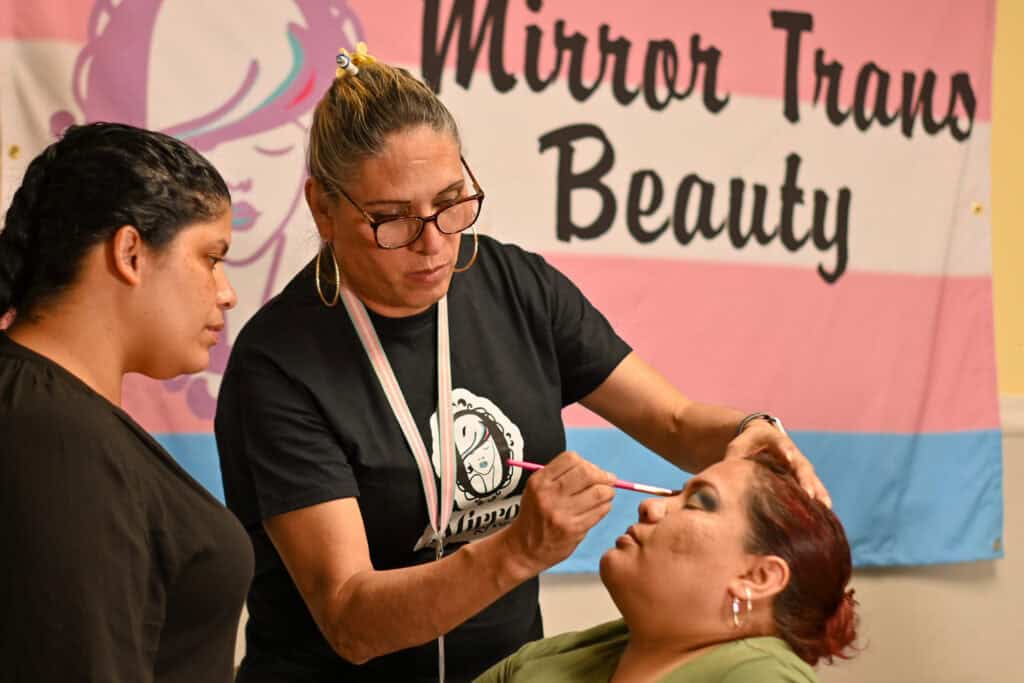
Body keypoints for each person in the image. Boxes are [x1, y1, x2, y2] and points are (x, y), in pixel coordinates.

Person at [214, 44, 831, 682]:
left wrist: (747, 432)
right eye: (393, 220)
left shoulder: (514, 286)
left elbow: (672, 421)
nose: (434, 245)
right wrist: (518, 548)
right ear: (323, 208)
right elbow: (349, 620)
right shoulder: (281, 365)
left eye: (452, 202)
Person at [0, 122, 254, 682]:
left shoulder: (56, 417)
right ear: (131, 252)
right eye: (212, 258)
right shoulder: (53, 437)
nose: (227, 292)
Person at [475, 451, 858, 682]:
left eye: (699, 502)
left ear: (757, 578)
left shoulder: (761, 674)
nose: (651, 507)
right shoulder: (549, 660)